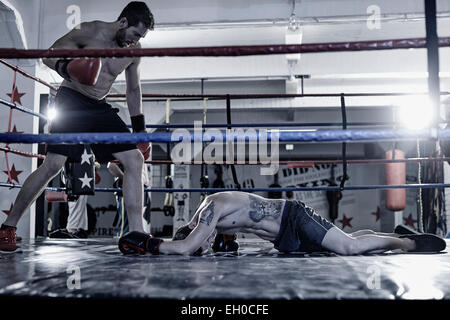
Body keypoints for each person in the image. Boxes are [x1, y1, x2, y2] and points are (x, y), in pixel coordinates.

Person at [0, 2, 154, 252]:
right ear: (123, 22)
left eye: (141, 38)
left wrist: (140, 130)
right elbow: (49, 55)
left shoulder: (134, 52)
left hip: (99, 106)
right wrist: (69, 68)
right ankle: (8, 226)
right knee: (52, 165)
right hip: (71, 99)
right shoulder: (90, 31)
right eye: (135, 34)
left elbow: (133, 90)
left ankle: (136, 234)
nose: (135, 41)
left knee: (134, 159)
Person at [118, 191, 447, 256]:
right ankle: (394, 234)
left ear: (193, 227)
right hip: (286, 237)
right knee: (344, 242)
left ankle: (409, 243)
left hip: (293, 216)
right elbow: (211, 242)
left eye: (203, 239)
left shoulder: (210, 211)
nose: (207, 245)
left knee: (348, 247)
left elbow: (187, 247)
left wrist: (148, 244)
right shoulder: (215, 219)